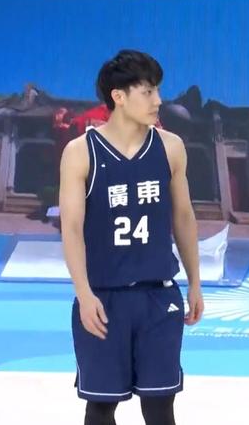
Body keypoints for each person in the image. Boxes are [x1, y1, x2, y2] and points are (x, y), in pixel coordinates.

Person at [60, 49, 204, 425]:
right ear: (119, 96)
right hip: (103, 298)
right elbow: (71, 228)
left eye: (158, 91)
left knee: (160, 406)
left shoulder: (171, 147)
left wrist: (195, 283)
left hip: (159, 297)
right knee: (101, 406)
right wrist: (83, 294)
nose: (159, 101)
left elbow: (184, 217)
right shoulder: (80, 153)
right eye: (148, 91)